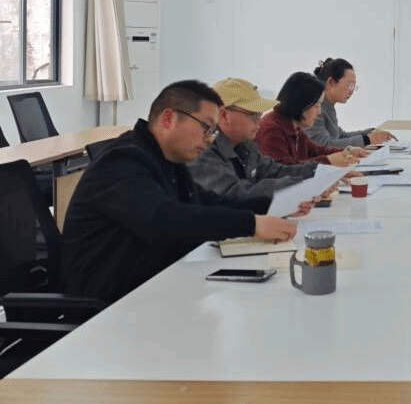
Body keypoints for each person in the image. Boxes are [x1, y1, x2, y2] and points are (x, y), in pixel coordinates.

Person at [60, 80, 299, 303]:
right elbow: (164, 219)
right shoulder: (122, 162)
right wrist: (251, 224)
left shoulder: (168, 161)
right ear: (168, 119)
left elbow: (207, 202)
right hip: (108, 306)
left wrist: (272, 206)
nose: (210, 139)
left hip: (154, 288)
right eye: (206, 128)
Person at [189, 77, 320, 201]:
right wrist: (300, 185)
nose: (259, 119)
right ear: (223, 115)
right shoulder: (200, 153)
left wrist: (318, 171)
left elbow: (273, 171)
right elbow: (235, 194)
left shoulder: (244, 146)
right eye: (253, 114)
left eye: (260, 113)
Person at [256, 72, 366, 166]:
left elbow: (317, 150)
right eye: (316, 105)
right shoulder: (272, 130)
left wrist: (347, 151)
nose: (319, 112)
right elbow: (283, 169)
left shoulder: (294, 126)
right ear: (301, 104)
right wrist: (328, 161)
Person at [306, 57, 395, 147]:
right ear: (331, 82)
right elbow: (324, 146)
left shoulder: (327, 106)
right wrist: (368, 139)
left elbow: (341, 136)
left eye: (354, 86)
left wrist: (371, 132)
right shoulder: (313, 108)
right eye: (349, 85)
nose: (352, 91)